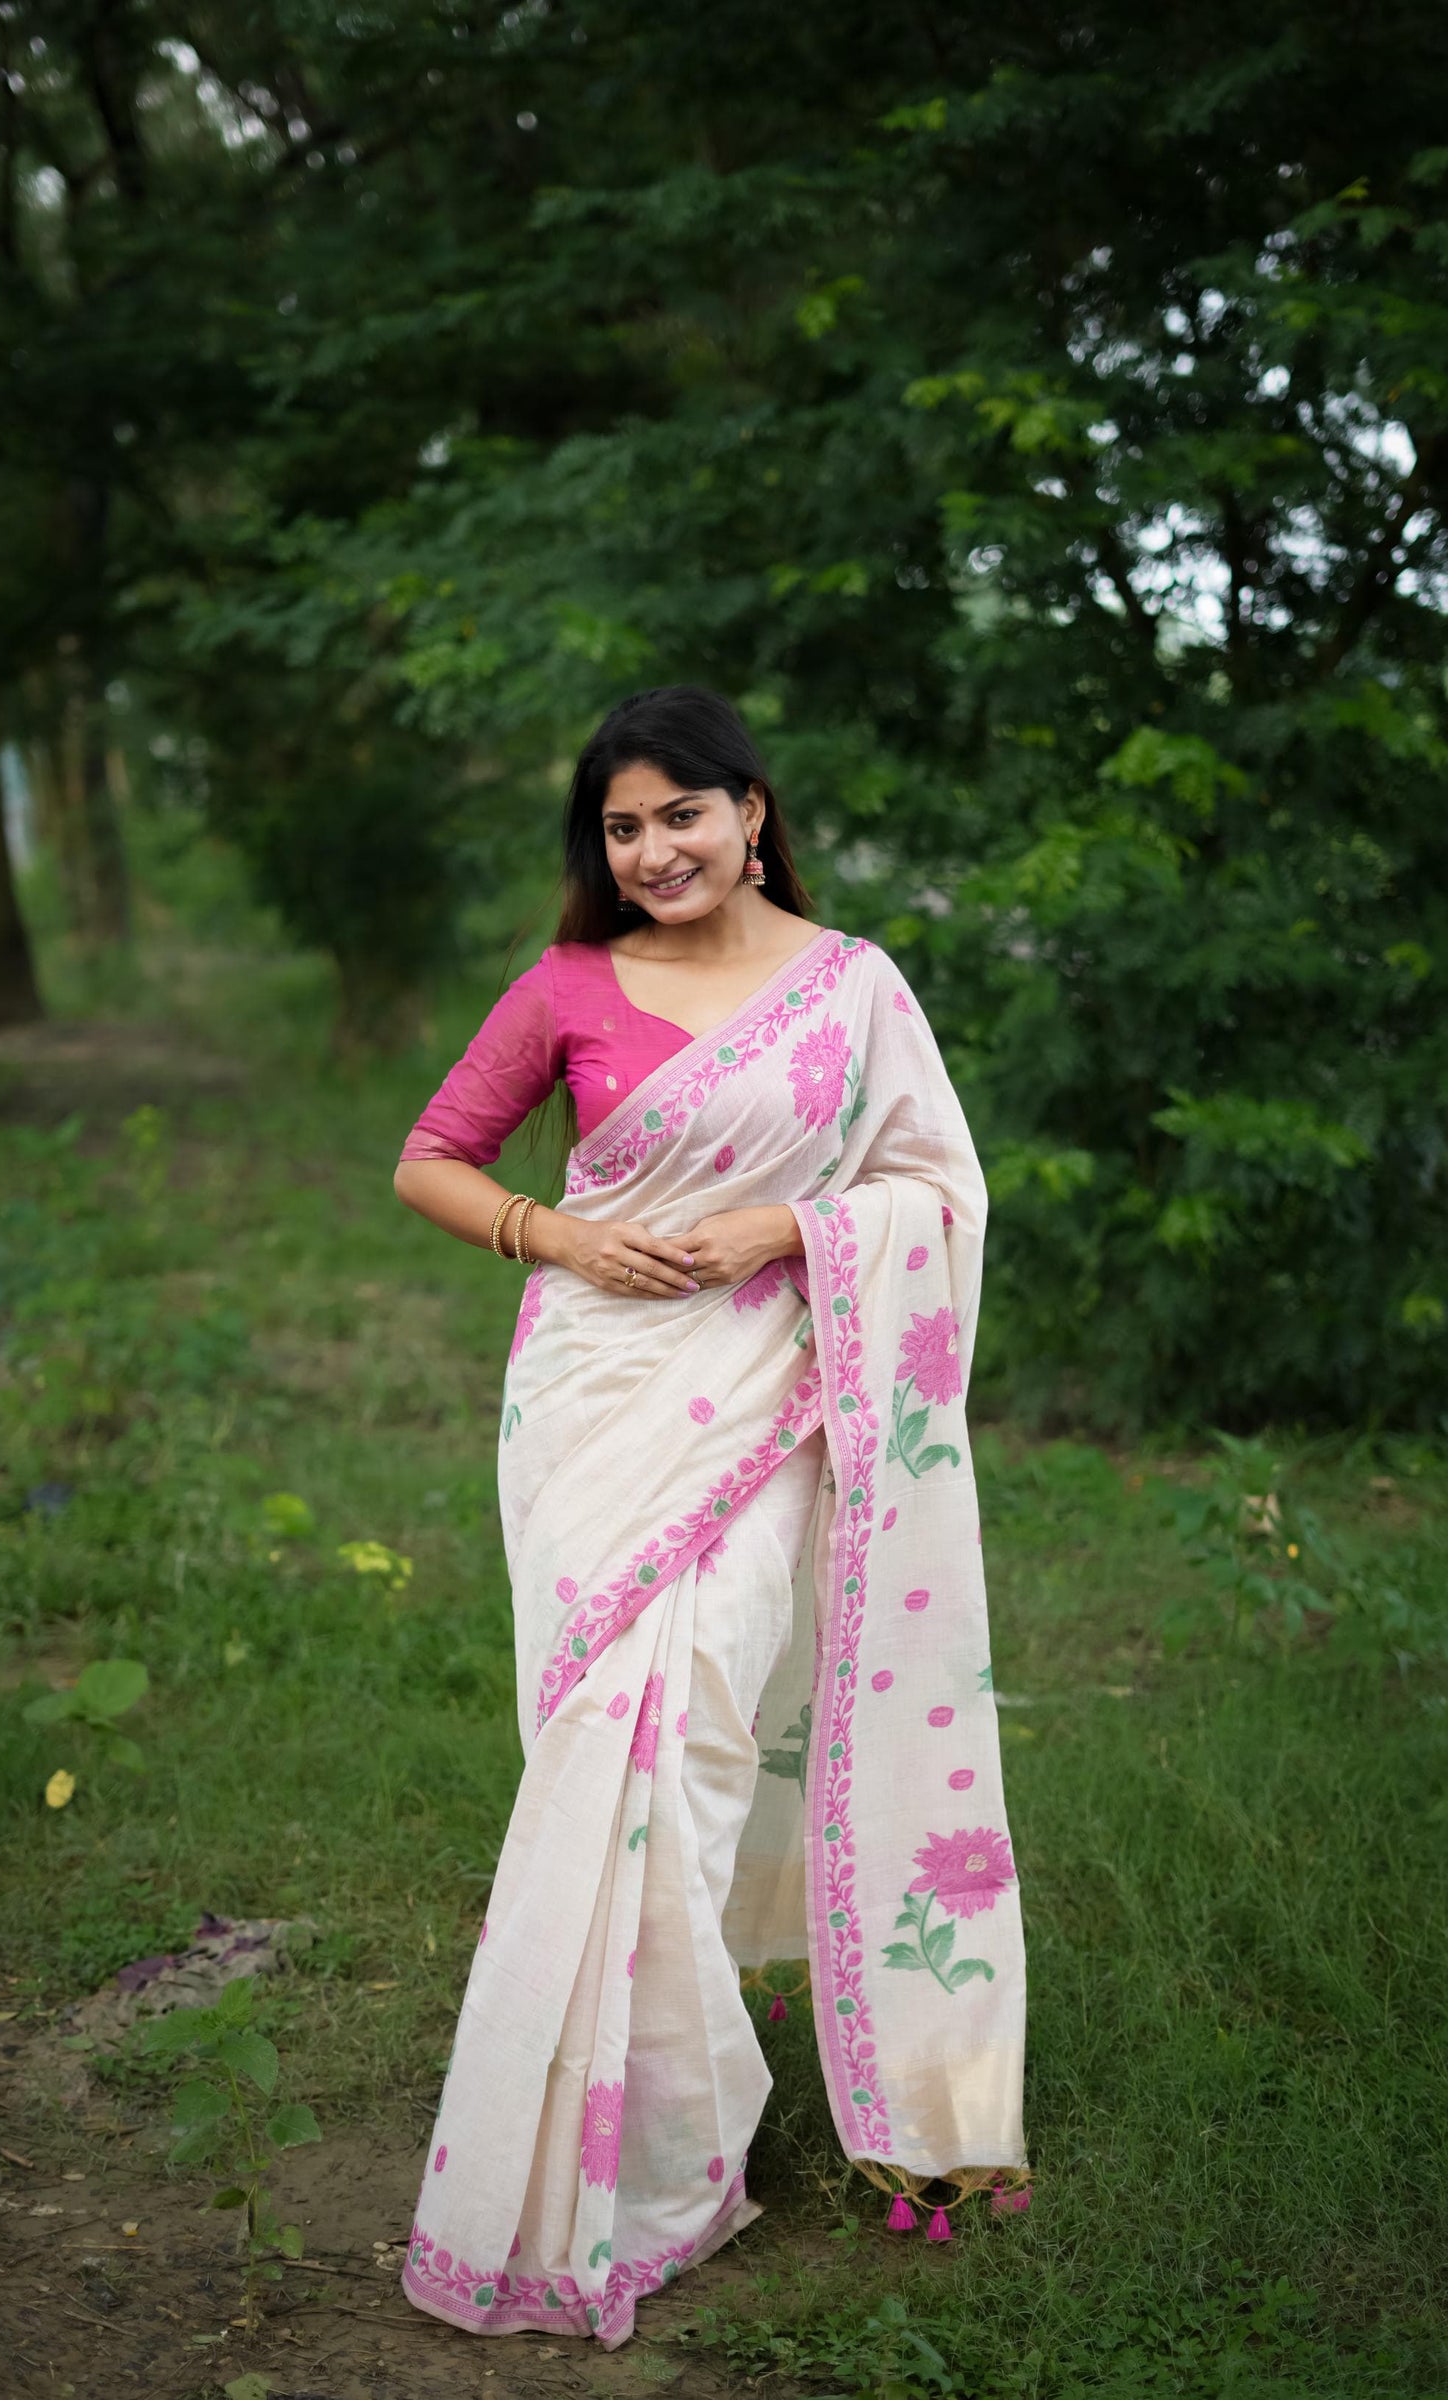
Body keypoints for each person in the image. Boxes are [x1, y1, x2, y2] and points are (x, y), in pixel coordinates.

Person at [391, 686, 1028, 2350]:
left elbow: (936, 1192)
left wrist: (782, 1234)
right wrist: (556, 1233)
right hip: (596, 1399)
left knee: (698, 1737)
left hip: (769, 1396)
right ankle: (658, 2139)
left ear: (754, 813)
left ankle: (673, 2134)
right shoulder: (566, 987)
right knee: (606, 1740)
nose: (655, 848)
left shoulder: (854, 989)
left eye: (685, 812)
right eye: (623, 825)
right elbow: (434, 1157)